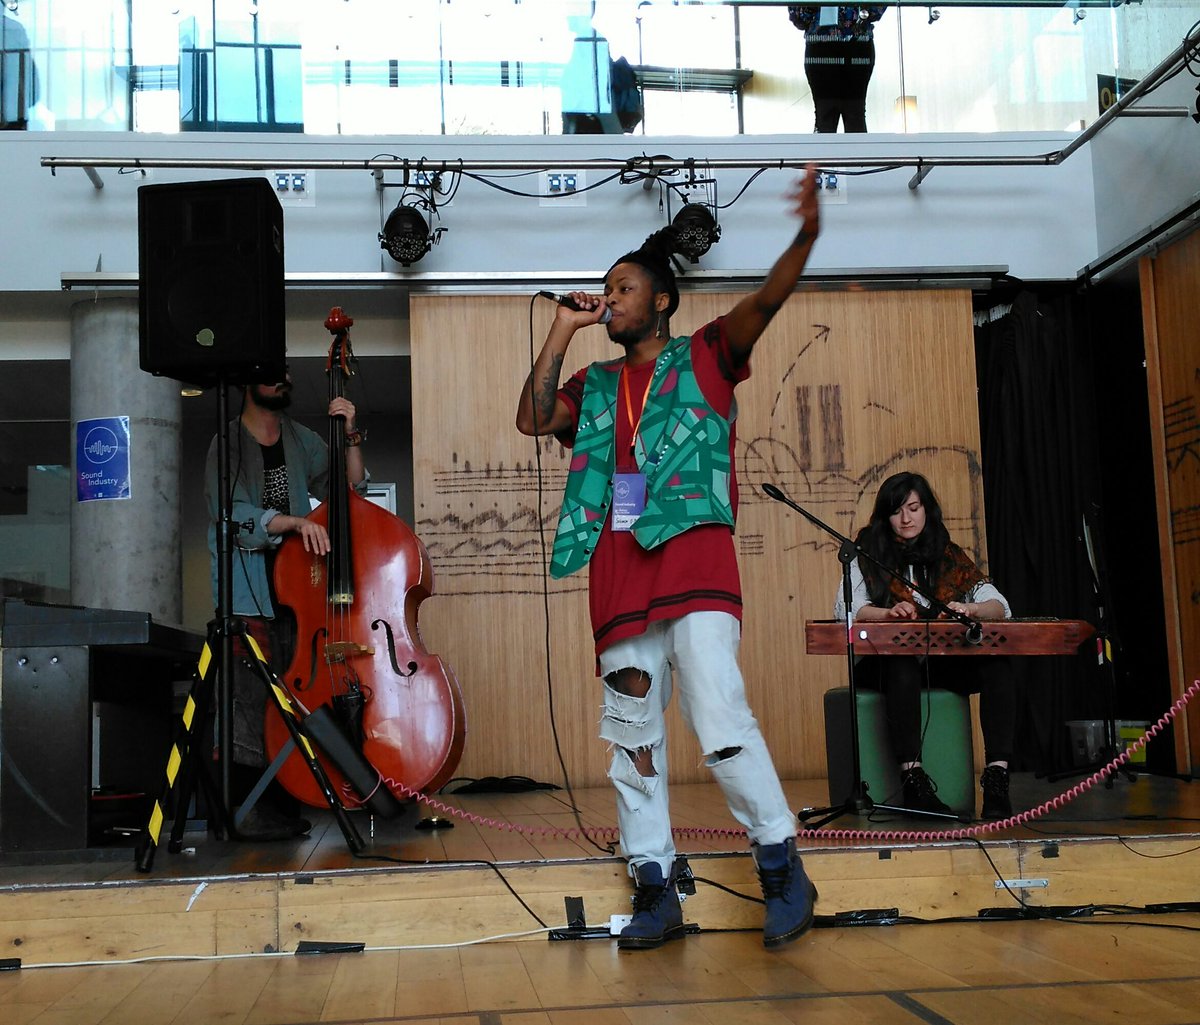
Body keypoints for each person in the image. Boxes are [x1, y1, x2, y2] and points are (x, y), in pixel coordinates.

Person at [515, 167, 821, 950]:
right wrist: (563, 327)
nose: (609, 299)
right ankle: (654, 886)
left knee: (719, 715)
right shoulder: (594, 383)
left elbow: (766, 303)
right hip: (620, 579)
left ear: (661, 300)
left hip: (696, 570)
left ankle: (781, 864)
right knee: (633, 738)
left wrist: (805, 238)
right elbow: (532, 418)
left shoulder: (707, 356)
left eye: (622, 289)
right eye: (604, 291)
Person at [203, 367, 368, 839]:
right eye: (274, 373)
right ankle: (243, 811)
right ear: (247, 383)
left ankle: (282, 804)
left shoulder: (301, 439)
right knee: (247, 704)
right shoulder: (226, 444)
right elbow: (231, 515)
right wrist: (294, 522)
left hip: (297, 596)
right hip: (247, 596)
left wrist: (349, 434)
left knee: (292, 705)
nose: (286, 378)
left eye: (287, 370)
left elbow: (349, 489)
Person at [833, 471, 1016, 820]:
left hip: (937, 662)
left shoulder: (947, 554)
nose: (906, 518)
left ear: (927, 510)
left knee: (997, 664)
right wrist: (887, 614)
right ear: (885, 516)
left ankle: (997, 778)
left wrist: (972, 609)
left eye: (914, 508)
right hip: (885, 663)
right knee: (902, 663)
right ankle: (912, 779)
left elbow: (999, 605)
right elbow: (846, 608)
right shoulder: (867, 552)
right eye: (897, 511)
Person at [787, 6, 887, 134]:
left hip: (857, 42)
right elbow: (798, 17)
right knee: (825, 114)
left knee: (854, 113)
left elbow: (876, 9)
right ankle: (825, 147)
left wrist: (863, 10)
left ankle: (857, 147)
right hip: (820, 45)